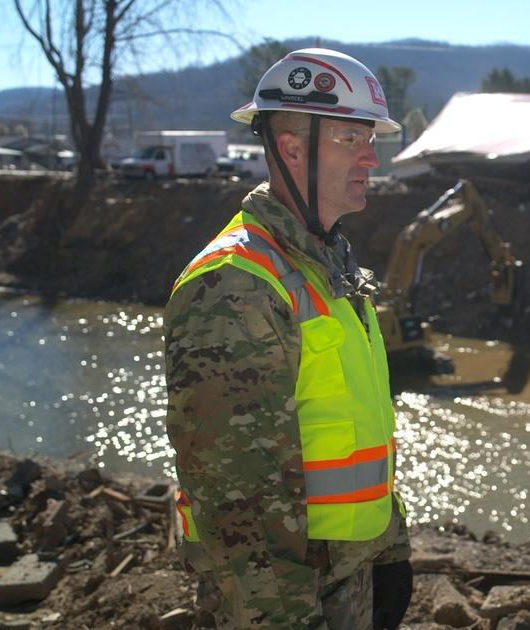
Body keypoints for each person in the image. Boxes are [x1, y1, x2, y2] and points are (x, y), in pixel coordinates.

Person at [164, 48, 413, 629]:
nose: (372, 160)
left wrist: (390, 549)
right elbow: (237, 504)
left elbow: (358, 425)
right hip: (290, 601)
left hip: (347, 577)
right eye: (353, 140)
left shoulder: (330, 265)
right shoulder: (234, 285)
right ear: (292, 149)